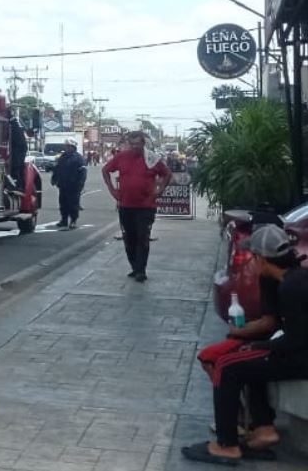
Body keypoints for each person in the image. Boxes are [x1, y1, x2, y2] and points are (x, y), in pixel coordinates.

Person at [182, 225, 308, 465]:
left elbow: (296, 339)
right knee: (241, 359)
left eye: (252, 257)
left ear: (261, 258)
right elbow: (273, 325)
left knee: (228, 367)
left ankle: (226, 444)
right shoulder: (280, 279)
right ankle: (262, 429)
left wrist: (260, 347)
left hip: (301, 356)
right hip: (295, 349)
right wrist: (247, 339)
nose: (249, 262)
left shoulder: (294, 286)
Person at [102, 131, 170, 282]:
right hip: (126, 205)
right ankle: (134, 266)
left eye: (137, 144)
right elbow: (105, 170)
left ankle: (141, 270)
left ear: (143, 144)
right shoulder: (121, 157)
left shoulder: (151, 159)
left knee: (142, 237)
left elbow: (167, 174)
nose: (134, 147)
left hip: (146, 206)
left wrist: (159, 191)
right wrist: (112, 190)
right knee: (129, 238)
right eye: (131, 144)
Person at [51, 139, 85, 230]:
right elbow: (57, 168)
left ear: (73, 147)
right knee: (63, 203)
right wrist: (54, 178)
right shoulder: (63, 157)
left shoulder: (78, 158)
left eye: (69, 146)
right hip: (63, 184)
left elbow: (83, 172)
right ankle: (64, 220)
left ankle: (73, 221)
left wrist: (81, 183)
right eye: (66, 146)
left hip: (74, 185)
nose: (67, 148)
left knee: (73, 203)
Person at [7, 111, 28, 195]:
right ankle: (18, 185)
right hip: (18, 150)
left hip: (17, 151)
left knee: (16, 167)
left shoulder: (13, 124)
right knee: (18, 168)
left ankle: (17, 185)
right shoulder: (15, 123)